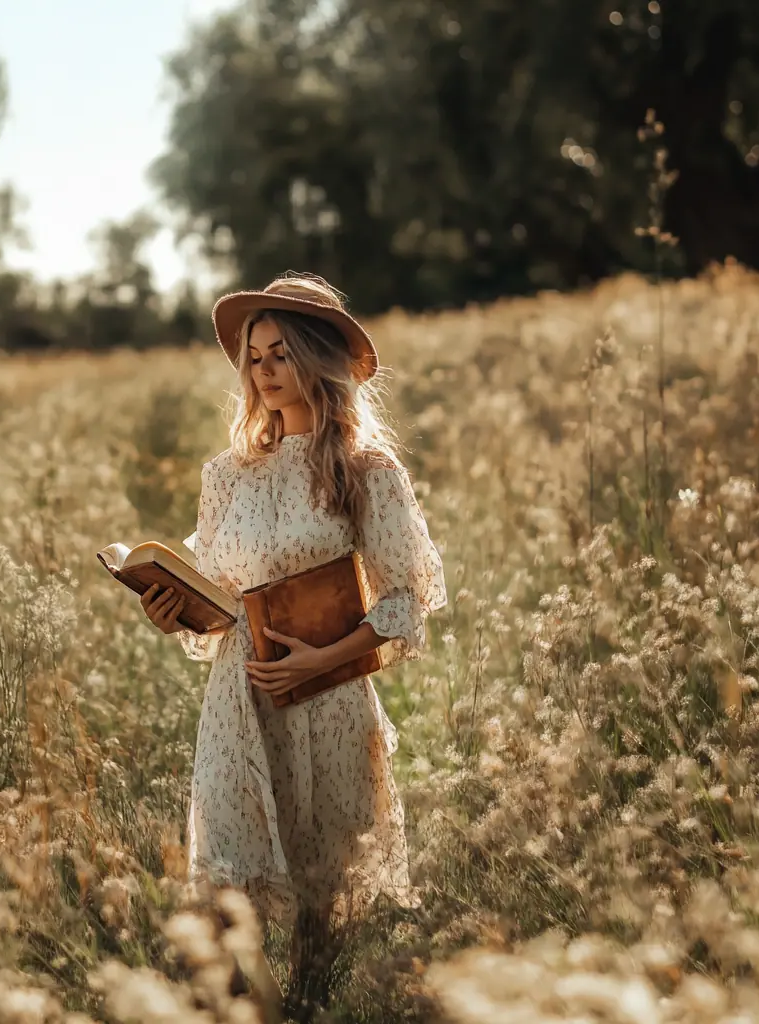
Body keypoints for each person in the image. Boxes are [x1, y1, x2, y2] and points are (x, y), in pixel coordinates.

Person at [138, 271, 446, 987]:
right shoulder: (227, 475)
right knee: (227, 881)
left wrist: (322, 662)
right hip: (238, 702)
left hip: (329, 697)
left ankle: (311, 1001)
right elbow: (217, 594)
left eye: (281, 353)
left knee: (323, 892)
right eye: (255, 356)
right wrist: (171, 610)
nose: (265, 370)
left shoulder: (365, 470)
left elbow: (405, 598)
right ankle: (233, 1003)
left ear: (315, 360)